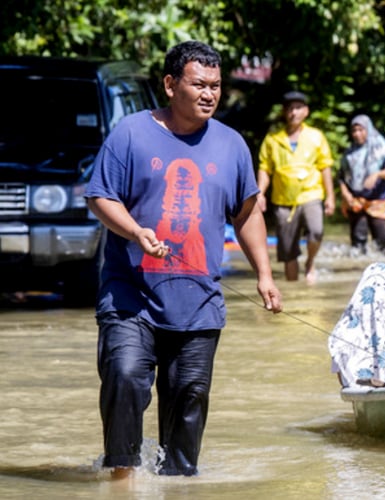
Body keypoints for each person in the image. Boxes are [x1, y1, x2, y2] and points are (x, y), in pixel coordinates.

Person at [85, 41, 283, 479]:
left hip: (198, 302)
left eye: (216, 85)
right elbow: (100, 196)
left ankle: (177, 483)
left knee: (189, 398)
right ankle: (123, 478)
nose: (209, 94)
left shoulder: (231, 145)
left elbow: (247, 213)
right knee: (125, 376)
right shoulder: (131, 134)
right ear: (171, 85)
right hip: (129, 295)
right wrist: (135, 231)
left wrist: (264, 275)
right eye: (199, 84)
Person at [257, 90, 335, 283]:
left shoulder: (316, 136)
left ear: (306, 111)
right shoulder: (273, 139)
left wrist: (331, 197)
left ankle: (310, 261)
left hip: (311, 194)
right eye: (290, 109)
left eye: (298, 108)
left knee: (316, 231)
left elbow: (325, 167)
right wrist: (260, 194)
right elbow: (265, 168)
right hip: (283, 199)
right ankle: (293, 291)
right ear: (285, 112)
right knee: (287, 250)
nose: (294, 113)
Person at [338, 114, 385, 256]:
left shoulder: (382, 148)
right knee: (358, 242)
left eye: (361, 130)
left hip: (379, 200)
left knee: (382, 241)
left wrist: (376, 174)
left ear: (368, 130)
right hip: (356, 201)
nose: (357, 134)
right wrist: (345, 194)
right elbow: (341, 177)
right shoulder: (349, 153)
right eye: (354, 131)